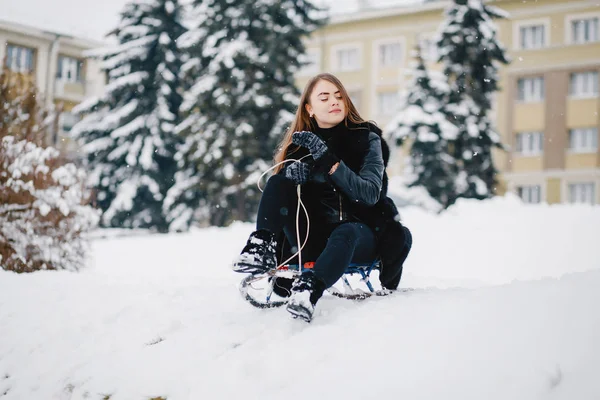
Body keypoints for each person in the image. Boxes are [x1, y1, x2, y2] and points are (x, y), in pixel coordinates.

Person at [233, 73, 412, 322]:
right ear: (310, 108)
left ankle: (309, 290)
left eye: (339, 96)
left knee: (346, 232)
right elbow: (285, 199)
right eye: (324, 97)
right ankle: (260, 246)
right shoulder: (298, 147)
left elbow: (369, 194)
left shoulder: (367, 140)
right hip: (310, 238)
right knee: (278, 181)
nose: (334, 102)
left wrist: (326, 159)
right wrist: (294, 174)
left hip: (361, 234)